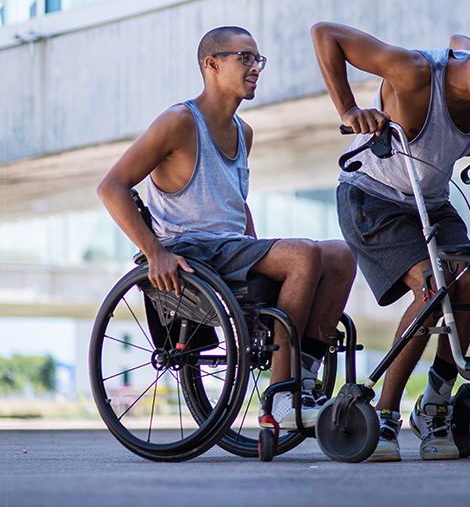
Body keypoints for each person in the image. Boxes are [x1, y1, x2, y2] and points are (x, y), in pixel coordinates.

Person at [96, 26, 357, 436]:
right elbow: (111, 186)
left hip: (231, 249)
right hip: (192, 250)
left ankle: (302, 378)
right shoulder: (179, 121)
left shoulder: (243, 131)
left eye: (258, 60)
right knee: (304, 253)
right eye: (245, 58)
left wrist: (263, 251)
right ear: (212, 64)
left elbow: (235, 203)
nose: (256, 68)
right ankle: (281, 397)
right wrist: (154, 252)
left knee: (340, 254)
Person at [311, 23, 470, 461]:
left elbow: (459, 39)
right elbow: (325, 35)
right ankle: (386, 415)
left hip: (429, 200)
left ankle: (434, 402)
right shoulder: (412, 72)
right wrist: (349, 108)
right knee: (434, 289)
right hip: (372, 197)